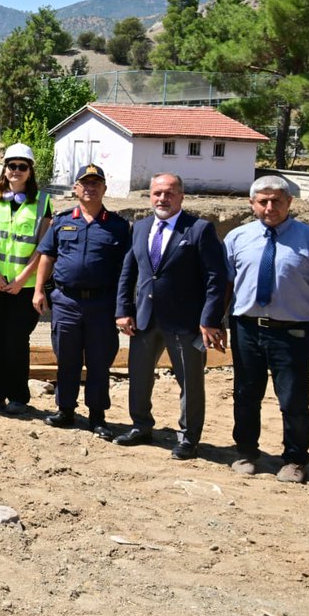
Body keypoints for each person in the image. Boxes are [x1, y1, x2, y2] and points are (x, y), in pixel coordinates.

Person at [223, 175, 309, 484]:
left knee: (294, 399)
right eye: (263, 201)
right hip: (246, 329)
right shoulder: (237, 238)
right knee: (245, 394)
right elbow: (226, 286)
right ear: (252, 204)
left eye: (277, 201)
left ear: (289, 203)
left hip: (293, 331)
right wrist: (215, 322)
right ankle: (245, 452)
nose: (270, 207)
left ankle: (295, 460)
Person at [114, 173, 226, 459]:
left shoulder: (199, 230)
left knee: (189, 381)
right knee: (139, 376)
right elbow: (129, 273)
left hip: (185, 322)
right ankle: (141, 425)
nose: (162, 199)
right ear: (150, 195)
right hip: (144, 319)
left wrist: (209, 319)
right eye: (157, 193)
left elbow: (216, 278)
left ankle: (189, 437)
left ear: (181, 196)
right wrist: (123, 310)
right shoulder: (139, 228)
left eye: (169, 193)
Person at [33, 164, 129, 439]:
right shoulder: (62, 221)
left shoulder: (119, 227)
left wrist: (124, 306)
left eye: (96, 183)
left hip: (102, 303)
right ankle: (65, 410)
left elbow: (127, 269)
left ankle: (97, 416)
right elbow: (47, 257)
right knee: (67, 358)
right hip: (66, 301)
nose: (90, 187)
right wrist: (39, 290)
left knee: (99, 361)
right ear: (76, 188)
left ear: (104, 188)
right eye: (84, 183)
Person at [0, 143, 52, 414]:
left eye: (22, 166)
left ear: (30, 171)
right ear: (5, 169)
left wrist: (22, 278)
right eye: (12, 166)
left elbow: (43, 245)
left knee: (17, 341)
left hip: (25, 285)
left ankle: (19, 396)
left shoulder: (43, 201)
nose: (16, 171)